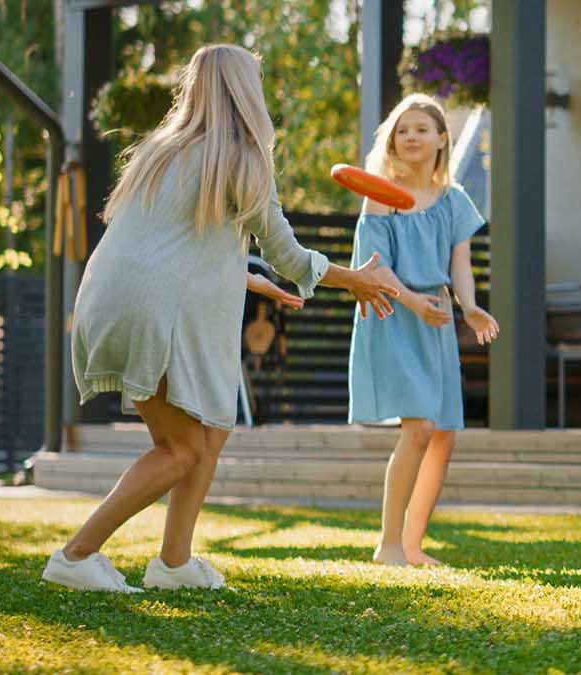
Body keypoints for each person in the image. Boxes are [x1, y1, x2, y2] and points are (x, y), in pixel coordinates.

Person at [46, 44, 405, 592]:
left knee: (211, 431)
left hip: (107, 299)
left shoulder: (159, 152)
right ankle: (76, 555)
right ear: (246, 92)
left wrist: (246, 276)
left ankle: (174, 563)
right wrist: (357, 278)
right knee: (183, 449)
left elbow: (170, 247)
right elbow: (288, 254)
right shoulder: (242, 158)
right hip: (152, 311)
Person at [347, 94, 499, 566]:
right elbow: (374, 269)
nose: (410, 136)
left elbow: (460, 265)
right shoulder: (380, 197)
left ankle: (411, 546)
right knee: (419, 428)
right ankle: (388, 545)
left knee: (442, 435)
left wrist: (469, 307)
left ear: (440, 139)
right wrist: (414, 302)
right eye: (402, 129)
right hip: (394, 315)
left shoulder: (453, 200)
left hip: (434, 321)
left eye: (420, 129)